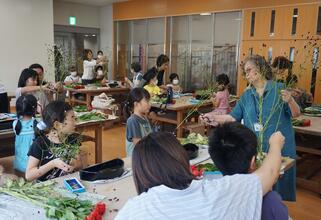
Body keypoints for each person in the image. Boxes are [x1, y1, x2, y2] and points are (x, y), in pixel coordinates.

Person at [115, 130, 285, 220]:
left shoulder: (133, 210)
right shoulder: (220, 190)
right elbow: (270, 172)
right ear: (182, 158)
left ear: (140, 172)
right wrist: (275, 143)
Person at [200, 55, 300, 201]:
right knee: (258, 189)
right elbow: (232, 117)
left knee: (276, 192)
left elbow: (296, 114)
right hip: (256, 150)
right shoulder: (247, 95)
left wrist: (290, 100)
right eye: (245, 72)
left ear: (260, 68)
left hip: (279, 147)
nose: (246, 75)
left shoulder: (279, 89)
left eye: (249, 70)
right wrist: (212, 118)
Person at [208, 122, 289, 220]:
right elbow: (272, 171)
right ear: (252, 162)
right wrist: (275, 145)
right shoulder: (269, 201)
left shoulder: (210, 192)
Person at [25, 101, 81, 181]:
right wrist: (53, 164)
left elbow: (79, 164)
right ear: (57, 125)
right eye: (72, 118)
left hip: (68, 182)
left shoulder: (73, 139)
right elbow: (29, 175)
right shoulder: (40, 143)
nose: (76, 121)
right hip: (47, 187)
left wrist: (74, 165)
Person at [123, 88, 153, 156]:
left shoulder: (145, 118)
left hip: (145, 154)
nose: (150, 104)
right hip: (136, 159)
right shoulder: (132, 121)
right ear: (136, 104)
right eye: (147, 101)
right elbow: (139, 145)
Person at [13, 95, 38, 173]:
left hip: (18, 165)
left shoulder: (15, 123)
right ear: (35, 108)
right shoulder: (37, 123)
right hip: (32, 166)